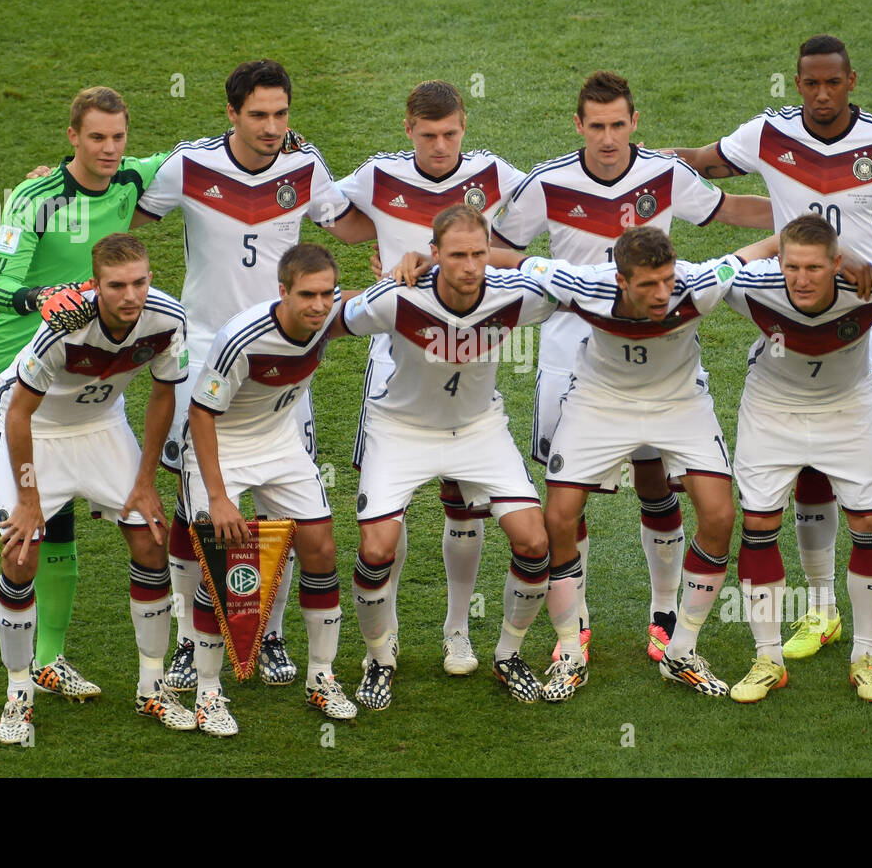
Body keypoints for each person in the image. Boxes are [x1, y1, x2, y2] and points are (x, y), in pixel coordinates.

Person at [671, 35, 872, 662]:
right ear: (797, 83)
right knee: (807, 465)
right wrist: (640, 163)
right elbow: (705, 160)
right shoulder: (768, 134)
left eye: (834, 83)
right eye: (812, 83)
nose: (823, 94)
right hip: (798, 310)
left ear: (851, 81)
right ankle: (822, 609)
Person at [492, 71, 774, 665]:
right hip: (572, 346)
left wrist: (804, 214)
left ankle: (666, 612)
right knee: (569, 497)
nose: (608, 137)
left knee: (657, 481)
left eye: (618, 124)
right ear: (578, 126)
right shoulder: (547, 183)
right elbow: (492, 243)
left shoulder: (665, 176)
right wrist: (546, 275)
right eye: (596, 126)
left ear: (633, 121)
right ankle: (580, 620)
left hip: (655, 337)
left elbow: (725, 211)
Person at [0, 88, 166, 722]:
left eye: (119, 137)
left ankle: (49, 660)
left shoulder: (133, 178)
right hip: (2, 371)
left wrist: (290, 146)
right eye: (96, 138)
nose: (110, 150)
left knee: (54, 517)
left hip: (69, 382)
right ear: (72, 137)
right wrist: (43, 297)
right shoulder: (35, 198)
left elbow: (208, 159)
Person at [133, 60, 376, 692]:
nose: (272, 127)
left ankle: (266, 634)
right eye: (259, 114)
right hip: (204, 353)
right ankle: (194, 639)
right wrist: (56, 190)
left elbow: (345, 224)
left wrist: (412, 234)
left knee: (283, 508)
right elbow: (124, 212)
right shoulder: (187, 166)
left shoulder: (305, 167)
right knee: (195, 515)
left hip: (282, 358)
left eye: (282, 114)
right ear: (232, 113)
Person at [512, 225, 780, 702]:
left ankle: (682, 650)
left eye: (667, 280)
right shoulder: (583, 284)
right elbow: (513, 261)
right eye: (648, 285)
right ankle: (571, 652)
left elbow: (753, 249)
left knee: (720, 516)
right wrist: (428, 260)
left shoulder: (699, 283)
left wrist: (817, 237)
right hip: (600, 403)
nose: (662, 294)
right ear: (620, 282)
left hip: (678, 403)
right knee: (557, 518)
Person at [337, 80, 527, 677]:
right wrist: (383, 270)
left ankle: (457, 631)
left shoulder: (498, 174)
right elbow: (330, 215)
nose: (441, 145)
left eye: (451, 133)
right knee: (385, 521)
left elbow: (520, 247)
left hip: (469, 359)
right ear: (408, 130)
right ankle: (383, 643)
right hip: (396, 359)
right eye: (428, 135)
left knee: (465, 505)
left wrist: (447, 261)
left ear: (465, 125)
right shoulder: (377, 176)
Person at [340, 204, 558, 708]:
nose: (470, 266)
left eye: (479, 254)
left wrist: (505, 259)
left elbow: (575, 285)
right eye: (457, 255)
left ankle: (507, 653)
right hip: (401, 430)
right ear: (435, 256)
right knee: (376, 549)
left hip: (479, 429)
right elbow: (329, 316)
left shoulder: (515, 296)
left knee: (532, 541)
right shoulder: (396, 299)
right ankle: (379, 656)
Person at [0, 234, 191, 744]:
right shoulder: (64, 326)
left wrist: (144, 482)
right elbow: (18, 412)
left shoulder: (168, 319)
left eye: (140, 281)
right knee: (19, 555)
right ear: (95, 285)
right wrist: (30, 501)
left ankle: (152, 687)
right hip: (34, 431)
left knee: (150, 537)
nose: (131, 295)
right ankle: (18, 695)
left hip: (101, 424)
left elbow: (163, 397)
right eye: (117, 285)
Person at [720, 214, 872, 703]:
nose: (801, 279)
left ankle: (866, 658)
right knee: (758, 525)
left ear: (837, 264)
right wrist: (766, 242)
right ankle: (767, 659)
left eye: (814, 269)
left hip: (849, 410)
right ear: (779, 262)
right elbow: (698, 278)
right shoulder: (754, 285)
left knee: (868, 524)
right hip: (771, 410)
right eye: (792, 266)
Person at [180, 243, 358, 734]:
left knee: (321, 548)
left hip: (279, 443)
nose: (319, 306)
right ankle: (208, 692)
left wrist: (414, 272)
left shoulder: (331, 314)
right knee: (223, 565)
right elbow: (200, 413)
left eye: (327, 294)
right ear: (282, 291)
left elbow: (371, 303)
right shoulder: (242, 338)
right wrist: (218, 498)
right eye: (307, 295)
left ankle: (321, 677)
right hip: (222, 444)